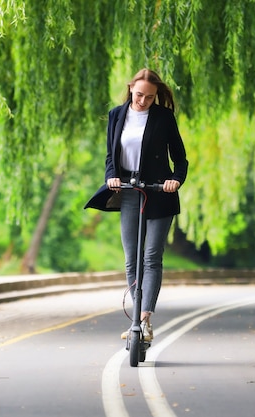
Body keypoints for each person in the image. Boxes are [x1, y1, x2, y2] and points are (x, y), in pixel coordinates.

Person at [84, 68, 189, 341]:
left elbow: (180, 159)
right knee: (132, 260)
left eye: (150, 97)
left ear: (156, 97)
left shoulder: (164, 118)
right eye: (139, 94)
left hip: (159, 191)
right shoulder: (116, 115)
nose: (143, 101)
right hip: (129, 190)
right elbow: (111, 156)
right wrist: (111, 178)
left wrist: (175, 181)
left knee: (151, 257)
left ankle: (144, 321)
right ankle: (136, 320)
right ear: (131, 88)